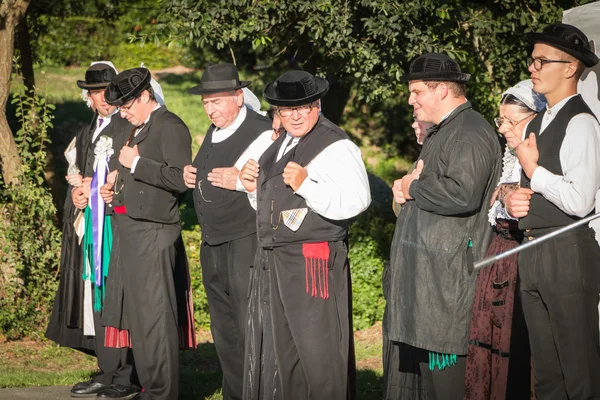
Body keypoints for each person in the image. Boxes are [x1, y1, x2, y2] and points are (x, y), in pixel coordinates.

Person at [239, 70, 371, 399]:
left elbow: (359, 199)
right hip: (280, 261)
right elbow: (274, 199)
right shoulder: (283, 140)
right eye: (286, 110)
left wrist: (306, 185)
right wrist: (251, 188)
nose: (294, 116)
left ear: (317, 105)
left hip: (313, 261)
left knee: (320, 356)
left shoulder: (337, 144)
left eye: (302, 107)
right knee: (288, 356)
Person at [383, 53, 502, 400]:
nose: (411, 100)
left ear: (443, 91)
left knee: (448, 387)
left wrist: (412, 187)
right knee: (431, 388)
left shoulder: (468, 131)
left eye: (417, 91)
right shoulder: (445, 132)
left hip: (448, 292)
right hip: (431, 288)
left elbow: (462, 194)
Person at [504, 23, 600, 399]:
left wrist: (534, 172)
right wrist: (514, 200)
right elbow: (531, 190)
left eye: (542, 61)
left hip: (568, 255)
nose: (533, 68)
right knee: (545, 375)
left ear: (570, 67)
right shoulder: (540, 121)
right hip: (533, 251)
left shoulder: (582, 123)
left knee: (580, 376)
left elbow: (580, 201)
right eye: (532, 60)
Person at [45, 62, 140, 400]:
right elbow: (83, 172)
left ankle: (127, 373)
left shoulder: (127, 126)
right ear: (88, 96)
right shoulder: (90, 129)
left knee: (118, 297)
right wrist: (78, 193)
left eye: (108, 90)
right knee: (96, 295)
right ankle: (108, 368)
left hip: (117, 225)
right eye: (96, 91)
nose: (104, 98)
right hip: (94, 227)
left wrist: (98, 186)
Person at [99, 67, 193, 400]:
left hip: (154, 233)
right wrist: (115, 188)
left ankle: (162, 394)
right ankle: (151, 388)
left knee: (155, 320)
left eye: (127, 106)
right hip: (131, 229)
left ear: (145, 96)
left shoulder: (170, 126)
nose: (123, 114)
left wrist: (137, 164)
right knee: (140, 320)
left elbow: (181, 179)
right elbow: (135, 177)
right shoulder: (138, 128)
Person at [182, 63, 273, 400]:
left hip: (245, 241)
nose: (211, 109)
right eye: (206, 103)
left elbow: (271, 186)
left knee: (251, 326)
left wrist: (238, 181)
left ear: (238, 97)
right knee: (224, 329)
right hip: (213, 243)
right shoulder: (214, 130)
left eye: (217, 101)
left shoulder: (262, 132)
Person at [464, 80, 545, 400]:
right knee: (490, 338)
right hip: (499, 255)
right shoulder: (508, 157)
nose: (504, 129)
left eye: (513, 121)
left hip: (523, 257)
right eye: (501, 121)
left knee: (517, 343)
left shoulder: (541, 157)